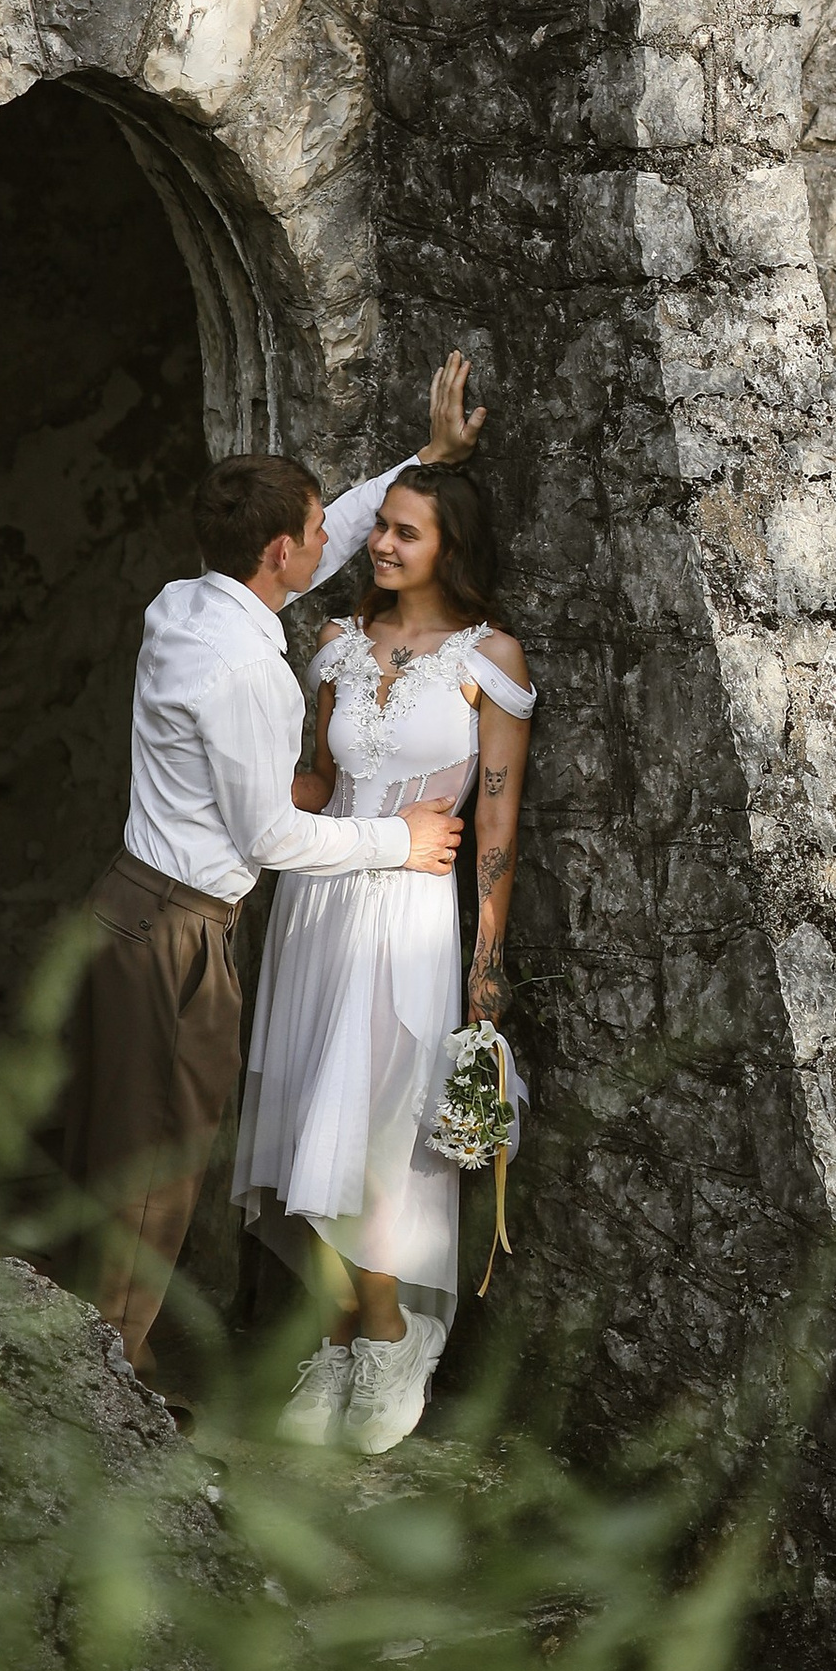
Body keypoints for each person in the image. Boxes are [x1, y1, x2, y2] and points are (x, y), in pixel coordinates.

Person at [61, 357, 487, 1379]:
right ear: (277, 553)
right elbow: (269, 837)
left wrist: (423, 460)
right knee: (157, 1171)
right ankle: (102, 1396)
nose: (343, 542)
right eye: (314, 532)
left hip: (129, 909)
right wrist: (403, 841)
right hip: (176, 934)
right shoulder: (251, 669)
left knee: (115, 1152)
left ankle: (91, 1364)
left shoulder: (187, 604)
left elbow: (322, 528)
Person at [234, 440, 534, 1454]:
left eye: (406, 531)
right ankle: (333, 1333)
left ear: (450, 548)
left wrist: (485, 959)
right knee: (300, 1128)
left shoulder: (489, 661)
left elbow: (495, 824)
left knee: (372, 1132)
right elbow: (315, 785)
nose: (382, 544)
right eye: (379, 527)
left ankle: (392, 1329)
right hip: (315, 906)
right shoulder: (332, 643)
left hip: (408, 923)